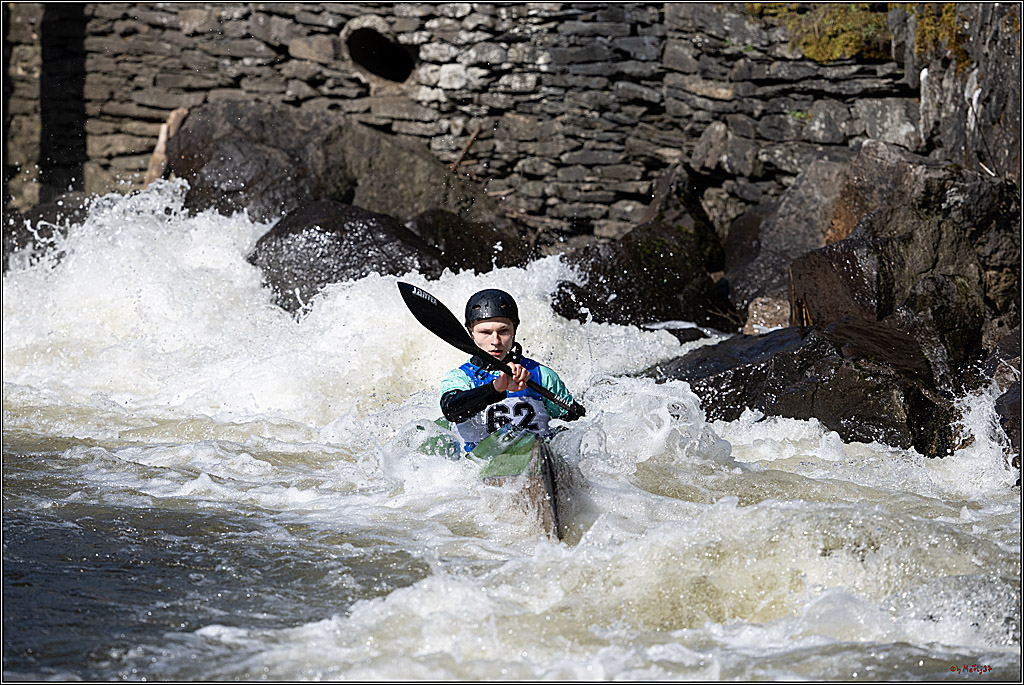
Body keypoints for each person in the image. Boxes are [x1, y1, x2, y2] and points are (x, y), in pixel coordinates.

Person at [440, 288, 585, 451]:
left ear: (514, 330)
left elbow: (575, 426)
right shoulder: (460, 378)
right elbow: (451, 411)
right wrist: (495, 389)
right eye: (485, 332)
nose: (495, 341)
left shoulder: (541, 375)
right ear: (471, 333)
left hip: (536, 459)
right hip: (478, 462)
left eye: (503, 331)